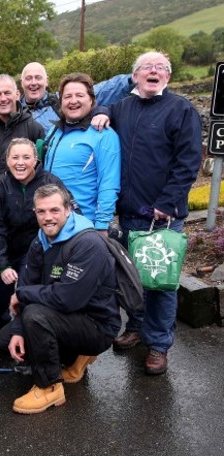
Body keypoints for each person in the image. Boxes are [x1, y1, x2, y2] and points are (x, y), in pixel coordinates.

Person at [92, 52, 202, 375]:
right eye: (146, 68)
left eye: (161, 68)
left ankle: (158, 344)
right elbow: (103, 108)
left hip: (163, 215)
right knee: (133, 279)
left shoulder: (181, 109)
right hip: (129, 213)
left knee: (162, 282)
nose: (153, 71)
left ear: (167, 77)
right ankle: (137, 327)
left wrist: (167, 203)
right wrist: (100, 111)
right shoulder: (123, 107)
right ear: (135, 76)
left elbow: (188, 163)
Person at [0, 184, 121, 414]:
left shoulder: (87, 243)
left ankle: (49, 387)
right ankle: (74, 359)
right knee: (5, 340)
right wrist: (17, 330)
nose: (48, 218)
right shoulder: (40, 240)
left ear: (68, 209)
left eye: (54, 210)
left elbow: (67, 299)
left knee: (35, 316)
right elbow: (27, 283)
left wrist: (22, 296)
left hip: (96, 324)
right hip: (67, 317)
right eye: (41, 212)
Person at [0, 138, 75, 323]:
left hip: (40, 251)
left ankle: (33, 337)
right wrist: (3, 265)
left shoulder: (51, 182)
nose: (20, 163)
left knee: (30, 299)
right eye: (15, 157)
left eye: (26, 157)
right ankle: (3, 339)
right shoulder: (0, 184)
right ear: (7, 160)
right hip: (8, 251)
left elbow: (71, 214)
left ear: (36, 160)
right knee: (0, 301)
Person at [42, 72, 121, 232]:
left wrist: (102, 226)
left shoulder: (104, 135)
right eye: (67, 96)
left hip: (83, 225)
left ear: (91, 100)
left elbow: (109, 183)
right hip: (51, 223)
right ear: (60, 101)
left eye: (79, 95)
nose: (73, 101)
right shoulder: (53, 132)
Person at [20, 62, 133, 132]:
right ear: (21, 83)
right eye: (28, 78)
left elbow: (105, 90)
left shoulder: (62, 101)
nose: (33, 82)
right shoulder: (15, 112)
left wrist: (132, 79)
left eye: (38, 78)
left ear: (47, 81)